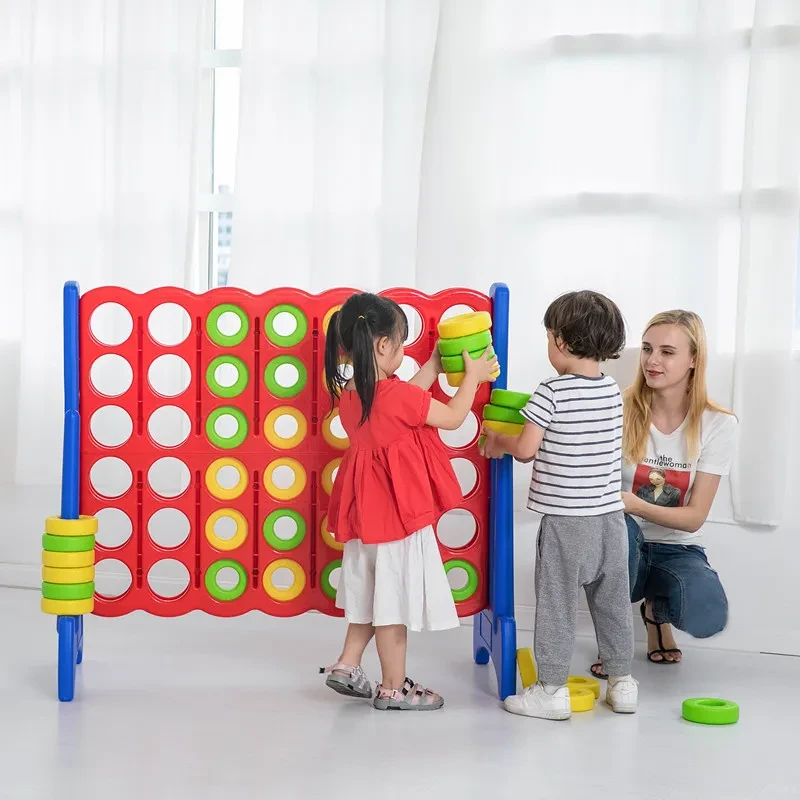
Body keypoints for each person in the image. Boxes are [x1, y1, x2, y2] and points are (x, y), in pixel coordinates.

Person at [319, 292, 498, 711]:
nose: (402, 351)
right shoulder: (397, 398)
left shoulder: (350, 396)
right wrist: (471, 377)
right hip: (397, 519)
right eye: (400, 343)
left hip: (365, 520)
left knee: (369, 595)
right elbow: (451, 417)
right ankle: (393, 688)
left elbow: (396, 409)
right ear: (384, 346)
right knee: (391, 606)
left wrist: (434, 366)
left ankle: (346, 664)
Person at [481, 290, 638, 720]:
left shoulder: (551, 392)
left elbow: (527, 448)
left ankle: (550, 689)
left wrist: (498, 441)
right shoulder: (611, 391)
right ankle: (623, 683)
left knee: (556, 605)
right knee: (611, 604)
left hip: (568, 522)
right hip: (611, 520)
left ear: (562, 342)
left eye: (549, 337)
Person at [590, 310, 737, 678]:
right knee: (621, 527)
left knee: (708, 617)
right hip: (621, 542)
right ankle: (615, 647)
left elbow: (694, 518)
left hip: (679, 547)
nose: (652, 361)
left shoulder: (718, 424)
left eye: (668, 352)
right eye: (648, 349)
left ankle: (657, 612)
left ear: (693, 360)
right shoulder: (616, 406)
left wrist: (635, 503)